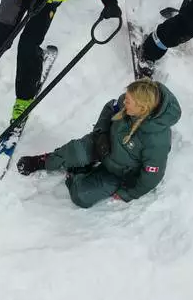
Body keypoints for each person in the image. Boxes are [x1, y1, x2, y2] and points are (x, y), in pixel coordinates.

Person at [16, 79, 180, 207]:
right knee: (75, 151)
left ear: (142, 109)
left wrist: (128, 194)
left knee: (81, 196)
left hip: (118, 173)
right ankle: (43, 161)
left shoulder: (156, 141)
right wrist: (101, 133)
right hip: (104, 145)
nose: (124, 101)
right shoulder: (127, 102)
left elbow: (152, 176)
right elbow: (110, 107)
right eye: (126, 98)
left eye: (128, 101)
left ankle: (77, 172)